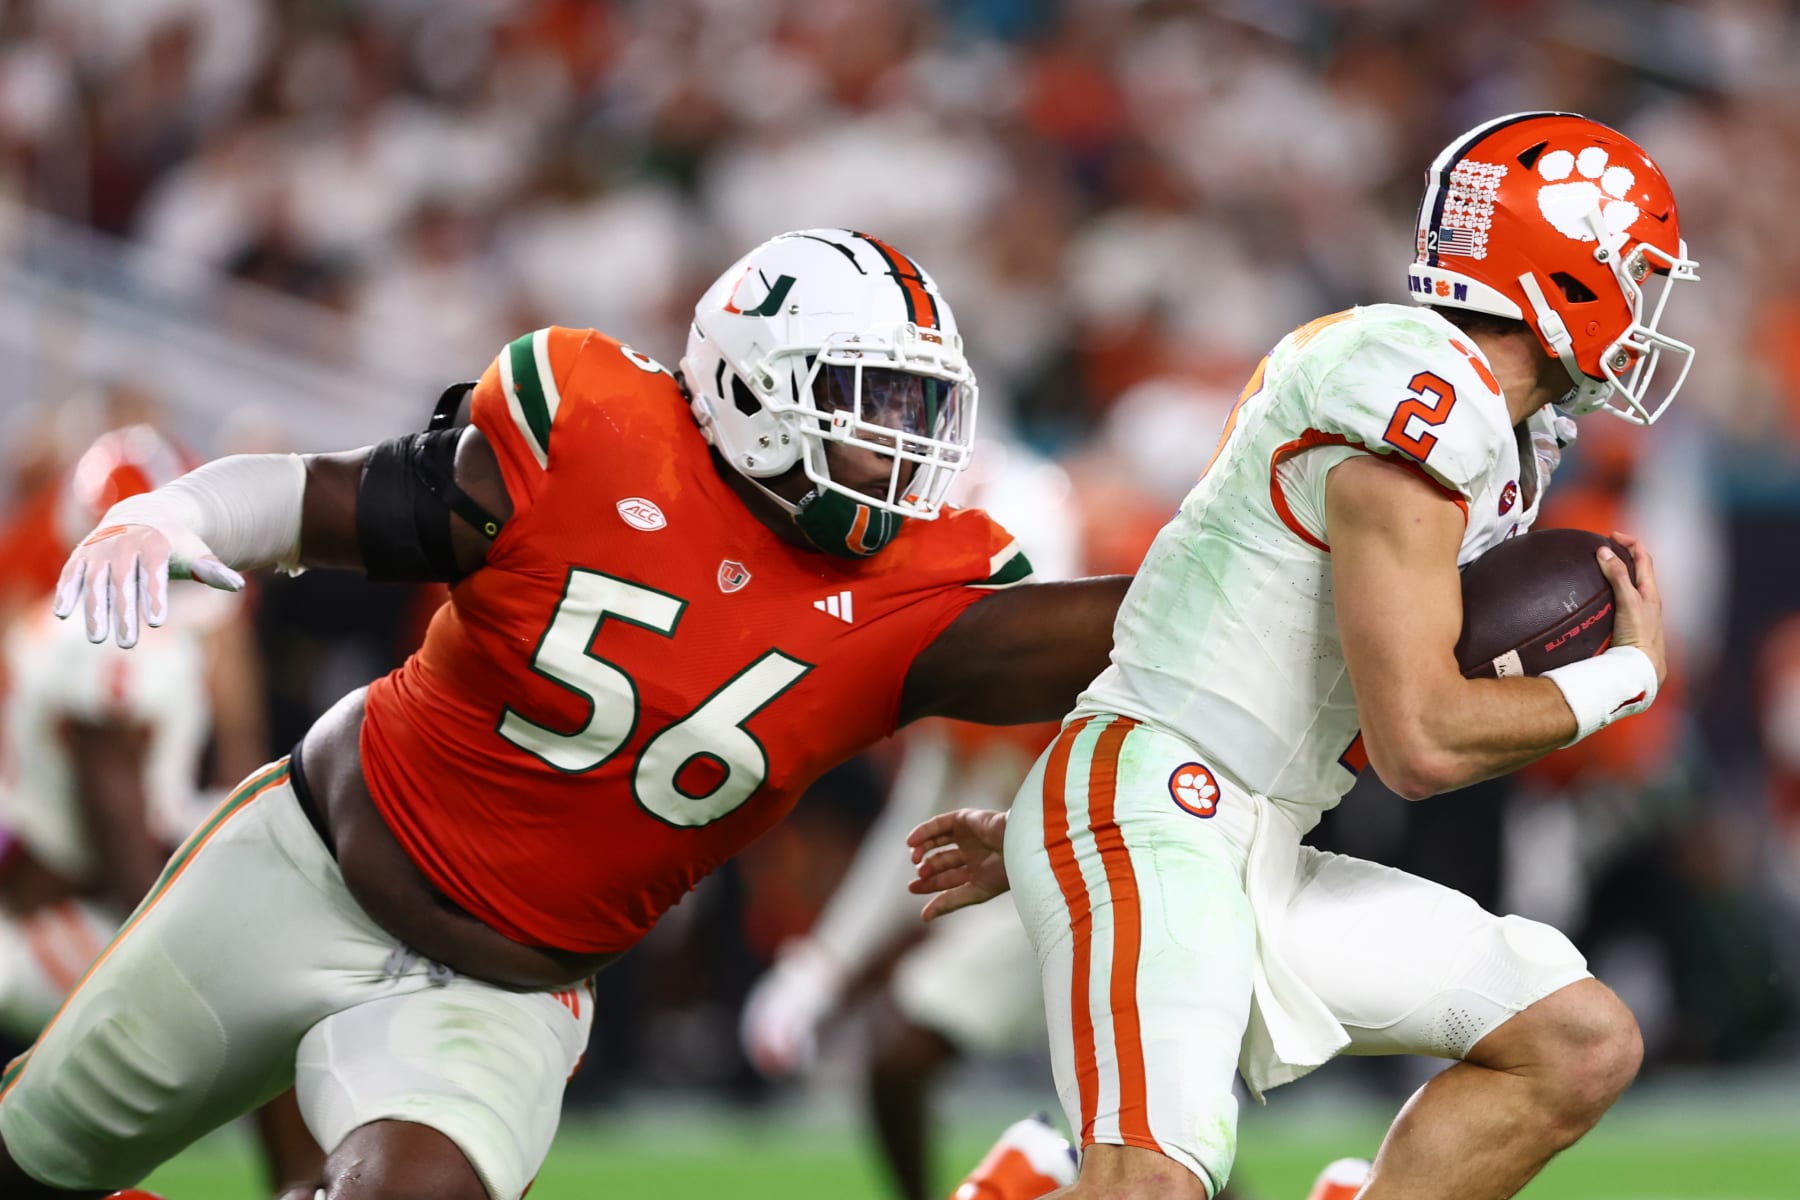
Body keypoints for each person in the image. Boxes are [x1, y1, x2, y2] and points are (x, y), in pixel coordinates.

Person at [0, 229, 1130, 1200]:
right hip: (307, 870)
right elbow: (325, 496)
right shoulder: (589, 433)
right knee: (31, 1156)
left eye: (919, 406)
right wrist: (176, 510)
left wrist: (1289, 543)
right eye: (872, 404)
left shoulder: (922, 593)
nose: (906, 444)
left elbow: (1159, 625)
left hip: (504, 991)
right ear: (755, 390)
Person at [911, 113, 1699, 1200]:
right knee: (1154, 1180)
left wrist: (1071, 831)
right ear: (1567, 268)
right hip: (1162, 803)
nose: (1647, 306)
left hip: (1230, 825)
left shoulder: (1465, 406)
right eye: (1637, 271)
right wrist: (1624, 677)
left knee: (1576, 1042)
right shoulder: (1424, 393)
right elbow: (1419, 740)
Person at [0, 427, 321, 1194]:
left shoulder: (81, 624)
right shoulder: (103, 643)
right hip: (54, 918)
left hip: (79, 895)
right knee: (251, 1003)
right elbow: (116, 830)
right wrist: (192, 930)